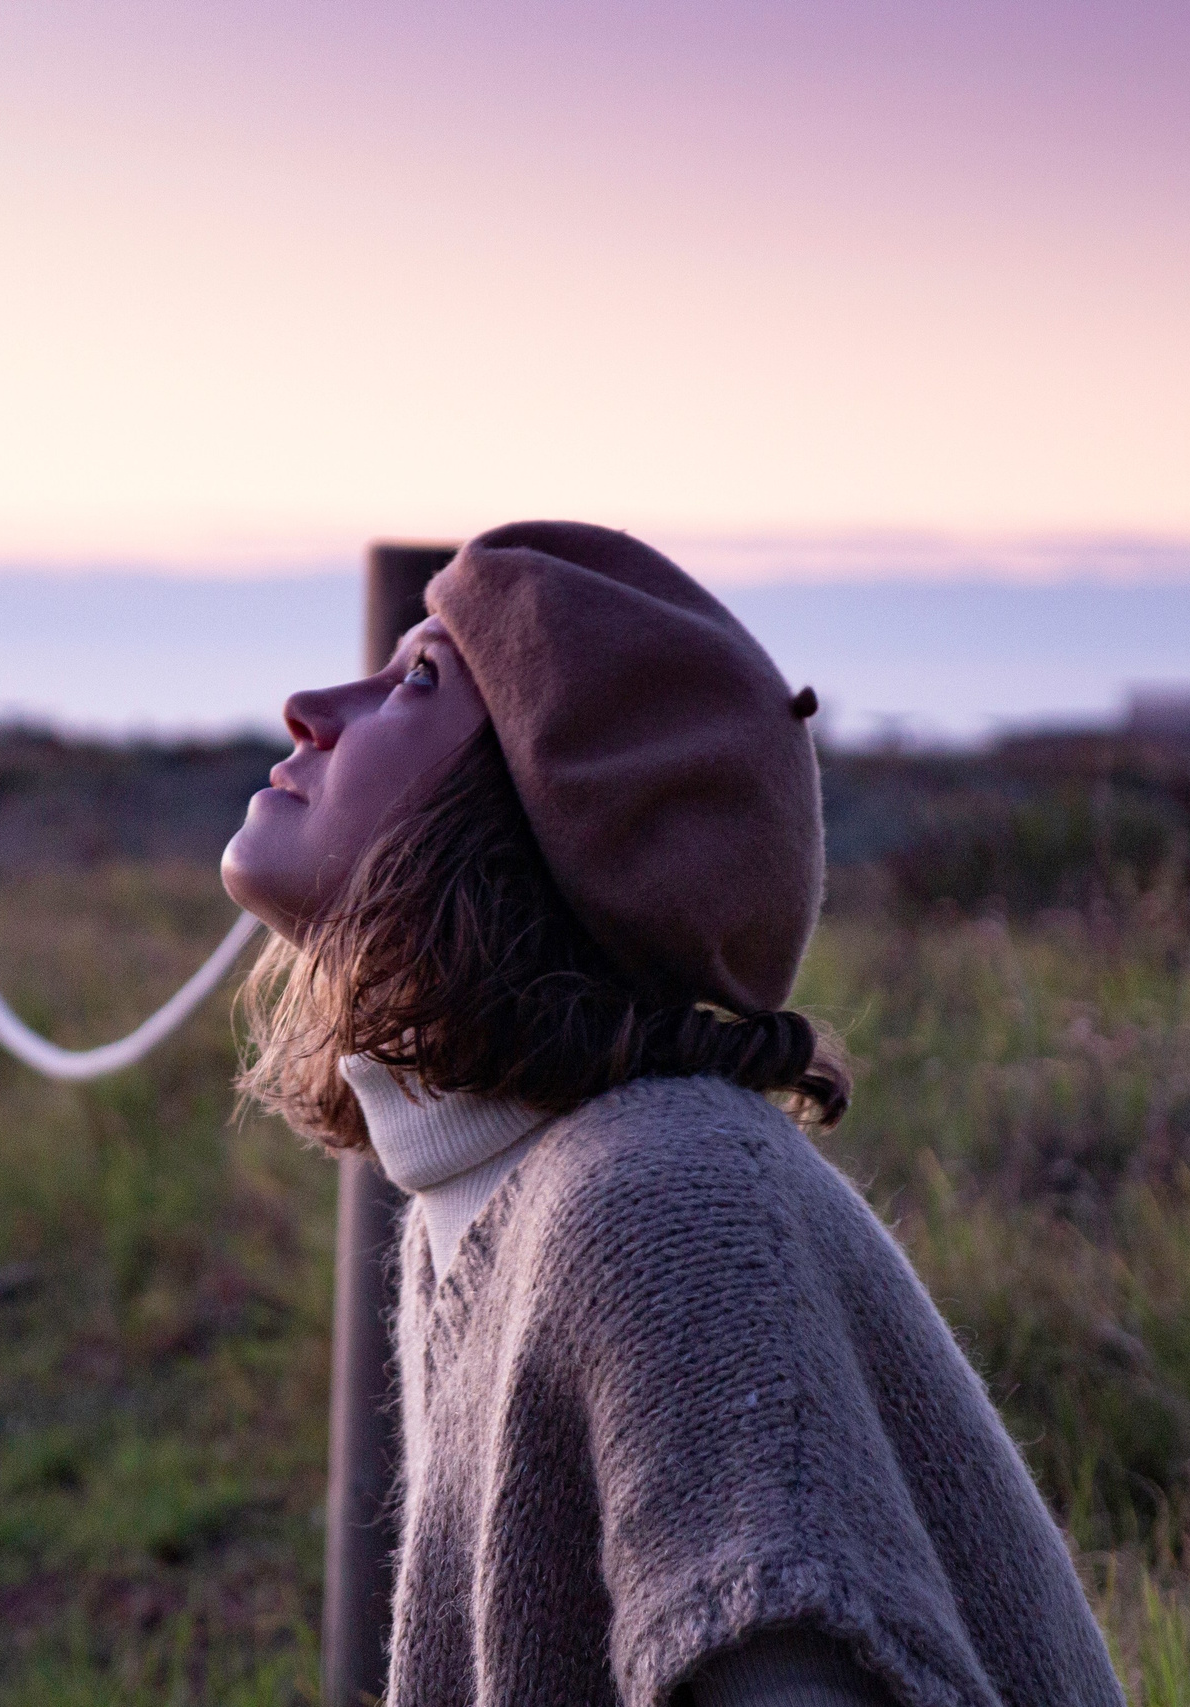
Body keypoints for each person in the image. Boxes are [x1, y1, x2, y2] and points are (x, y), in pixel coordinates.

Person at [220, 522, 1125, 1707]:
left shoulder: (662, 1208)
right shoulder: (501, 1180)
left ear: (535, 817)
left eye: (420, 681)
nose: (309, 706)